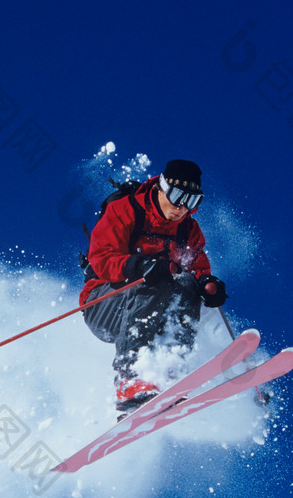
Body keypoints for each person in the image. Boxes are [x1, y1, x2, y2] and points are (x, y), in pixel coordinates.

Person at [80, 159, 227, 418]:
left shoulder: (188, 229)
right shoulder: (125, 210)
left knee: (186, 284)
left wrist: (207, 283)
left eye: (193, 201)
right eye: (179, 196)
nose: (183, 208)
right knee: (158, 280)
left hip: (148, 309)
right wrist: (138, 267)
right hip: (104, 306)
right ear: (161, 187)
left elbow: (197, 265)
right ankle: (131, 378)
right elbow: (100, 258)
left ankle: (168, 370)